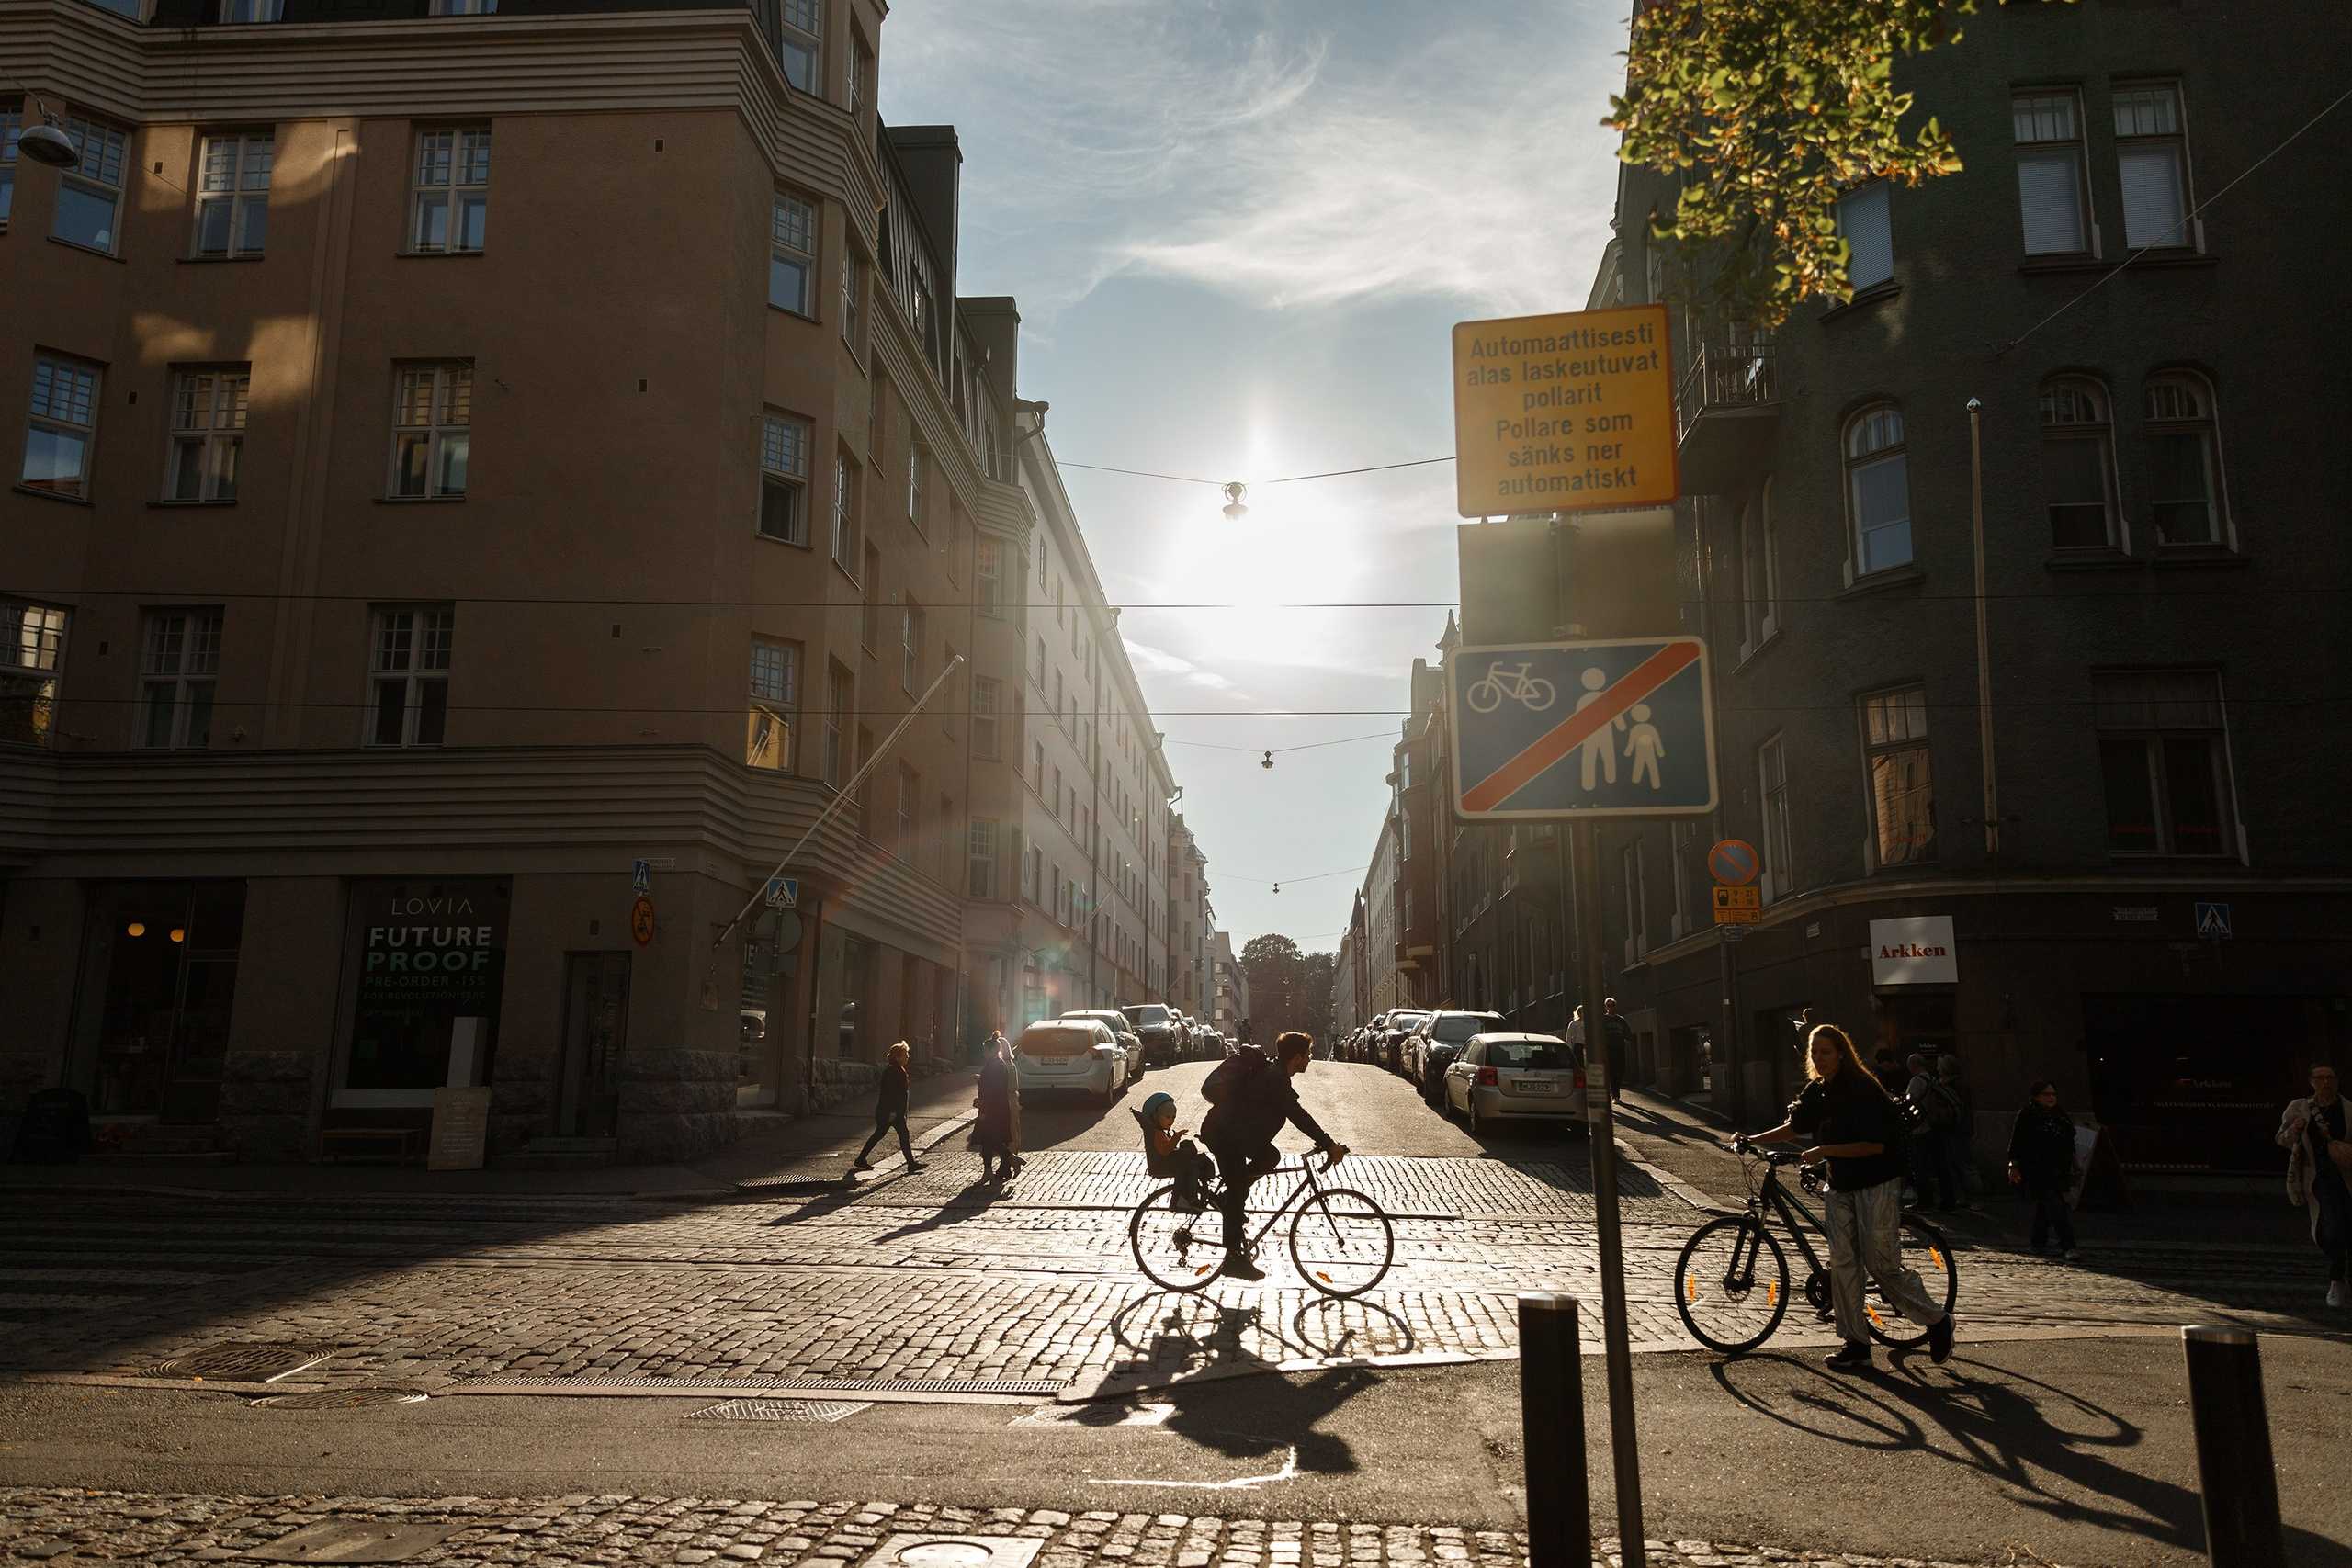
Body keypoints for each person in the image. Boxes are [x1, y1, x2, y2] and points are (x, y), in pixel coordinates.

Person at [1746, 1023, 1955, 1371]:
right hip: (1840, 1185)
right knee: (1843, 1265)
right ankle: (1856, 1344)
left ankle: (1937, 1320)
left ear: (1842, 1053)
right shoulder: (1819, 1090)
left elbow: (1874, 1146)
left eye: (1826, 1051)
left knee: (1879, 1263)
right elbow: (1795, 1126)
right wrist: (1753, 1139)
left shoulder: (1861, 1089)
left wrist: (1824, 1150)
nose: (1820, 1058)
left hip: (1877, 1181)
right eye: (1815, 1053)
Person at [1200, 1030, 1348, 1280]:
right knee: (1237, 1191)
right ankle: (1234, 1259)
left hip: (1237, 1134)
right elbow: (1296, 1113)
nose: (1310, 1059)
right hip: (1224, 1135)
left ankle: (1229, 1200)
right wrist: (1327, 1142)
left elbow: (1292, 1111)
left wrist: (1325, 1141)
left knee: (1270, 1157)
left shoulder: (1276, 1074)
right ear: (1297, 1057)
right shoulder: (1274, 1078)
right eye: (1308, 1054)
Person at [2278, 1060, 2349, 1309]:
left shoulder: (2348, 1109)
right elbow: (2282, 1139)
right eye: (2320, 1078)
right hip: (2319, 1179)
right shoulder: (2299, 1108)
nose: (2326, 1082)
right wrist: (2294, 1132)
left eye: (2330, 1077)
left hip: (2347, 1177)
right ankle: (2336, 1280)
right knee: (2331, 1231)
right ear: (2311, 1082)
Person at [2007, 1079, 2081, 1259]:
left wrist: (2075, 1164)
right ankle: (2068, 1245)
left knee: (2046, 1205)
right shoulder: (2027, 1114)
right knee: (2056, 1205)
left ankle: (2037, 1242)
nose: (2052, 1097)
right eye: (2047, 1094)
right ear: (2036, 1096)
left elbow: (2069, 1142)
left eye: (2054, 1094)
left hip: (2058, 1168)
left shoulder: (2060, 1115)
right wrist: (2013, 1166)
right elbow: (2017, 1142)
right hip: (2037, 1169)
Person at [852, 1041, 925, 1174]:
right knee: (902, 1135)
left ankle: (861, 1159)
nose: (907, 1056)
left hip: (893, 1111)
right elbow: (889, 1093)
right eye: (904, 1054)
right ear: (897, 1057)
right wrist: (893, 1111)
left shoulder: (896, 1069)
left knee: (881, 1134)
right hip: (891, 1112)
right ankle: (911, 1164)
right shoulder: (893, 1071)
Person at [1905, 1052, 1962, 1212]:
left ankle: (1924, 1202)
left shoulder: (1916, 1081)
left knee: (1921, 1167)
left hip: (1921, 1129)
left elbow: (1909, 1103)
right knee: (1941, 1166)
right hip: (1937, 1127)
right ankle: (1948, 1202)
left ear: (1913, 1066)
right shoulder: (1935, 1080)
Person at [1140, 1090, 1214, 1209]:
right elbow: (1164, 1150)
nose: (1171, 1121)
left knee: (1188, 1146)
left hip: (1169, 1160)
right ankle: (1192, 1198)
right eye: (1167, 1117)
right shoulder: (1157, 1134)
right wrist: (1175, 1138)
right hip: (1166, 1162)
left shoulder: (1158, 1131)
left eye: (1173, 1117)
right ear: (1155, 1117)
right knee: (1194, 1169)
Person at [974, 1032, 1023, 1184]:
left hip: (992, 1110)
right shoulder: (998, 1064)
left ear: (991, 1050)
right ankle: (989, 1172)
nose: (983, 1053)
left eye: (985, 1050)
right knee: (987, 1140)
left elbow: (990, 1090)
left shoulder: (995, 1065)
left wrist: (983, 1110)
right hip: (996, 1108)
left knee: (991, 1139)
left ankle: (1011, 1159)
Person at [1938, 1055, 1983, 1209]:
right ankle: (1962, 1196)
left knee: (1965, 1164)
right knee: (1954, 1164)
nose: (1937, 1069)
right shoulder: (1953, 1085)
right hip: (1953, 1129)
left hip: (1959, 1129)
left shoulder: (1957, 1086)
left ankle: (1975, 1198)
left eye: (1940, 1066)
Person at [1602, 998, 1633, 1102]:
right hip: (1608, 1048)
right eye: (1609, 1005)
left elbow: (1627, 1033)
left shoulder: (1620, 1020)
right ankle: (1616, 1095)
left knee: (1620, 1069)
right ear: (1606, 1007)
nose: (1611, 1007)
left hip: (1619, 1048)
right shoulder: (1603, 1019)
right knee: (1612, 1071)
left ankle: (1614, 1087)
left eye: (1613, 1005)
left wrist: (1628, 1040)